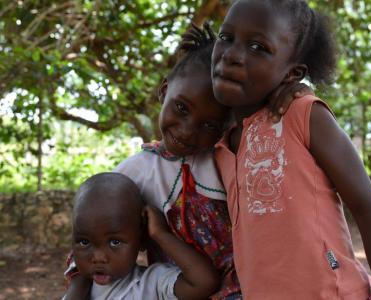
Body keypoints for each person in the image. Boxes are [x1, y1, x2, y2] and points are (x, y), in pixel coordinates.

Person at [65, 23, 311, 300]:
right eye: (181, 107)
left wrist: (289, 90)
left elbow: (273, 119)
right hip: (177, 290)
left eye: (208, 124)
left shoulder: (230, 158)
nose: (187, 130)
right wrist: (76, 289)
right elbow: (91, 232)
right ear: (164, 90)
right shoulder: (136, 171)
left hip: (247, 289)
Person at [211, 1, 371, 299]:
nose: (232, 55)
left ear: (292, 73)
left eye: (258, 47)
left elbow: (370, 210)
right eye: (226, 38)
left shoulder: (301, 114)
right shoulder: (220, 144)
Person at [63, 172, 220, 300]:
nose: (97, 257)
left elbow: (205, 282)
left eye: (115, 242)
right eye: (84, 242)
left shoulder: (151, 283)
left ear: (142, 239)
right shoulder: (80, 286)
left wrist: (160, 234)